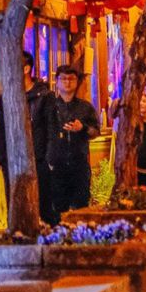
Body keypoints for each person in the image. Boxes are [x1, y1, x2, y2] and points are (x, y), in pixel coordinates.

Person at [0, 51, 52, 223]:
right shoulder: (7, 96)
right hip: (12, 159)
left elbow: (51, 129)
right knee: (14, 206)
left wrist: (48, 159)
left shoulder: (44, 96)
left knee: (40, 206)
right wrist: (2, 157)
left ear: (26, 69)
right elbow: (0, 129)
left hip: (38, 159)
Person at [46, 65, 100, 220]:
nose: (67, 82)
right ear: (56, 81)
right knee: (57, 209)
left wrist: (82, 128)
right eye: (63, 78)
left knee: (82, 208)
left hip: (79, 165)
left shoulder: (85, 107)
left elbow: (96, 132)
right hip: (55, 166)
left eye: (71, 79)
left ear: (77, 82)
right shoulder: (49, 107)